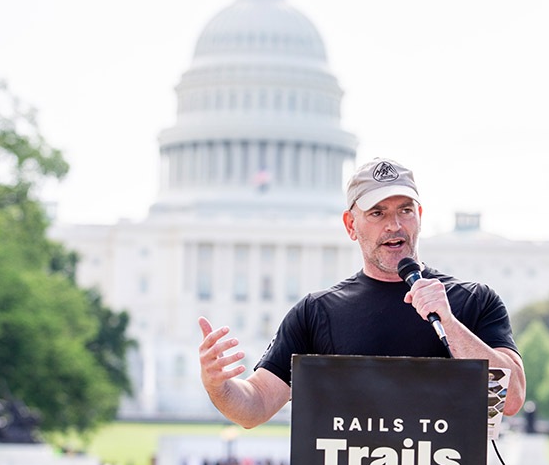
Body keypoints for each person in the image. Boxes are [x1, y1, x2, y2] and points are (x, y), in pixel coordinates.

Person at [199, 158, 527, 428]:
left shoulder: (474, 302)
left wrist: (450, 323)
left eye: (405, 210)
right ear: (350, 225)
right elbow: (255, 406)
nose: (394, 225)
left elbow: (510, 399)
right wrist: (219, 385)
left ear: (420, 217)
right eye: (377, 213)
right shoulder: (317, 314)